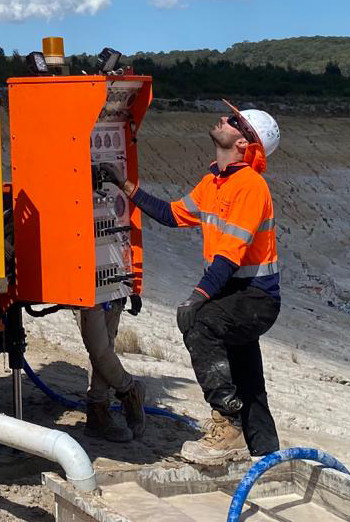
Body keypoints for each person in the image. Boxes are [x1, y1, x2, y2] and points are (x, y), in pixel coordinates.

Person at [98, 99, 281, 465]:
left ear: (244, 142)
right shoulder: (214, 181)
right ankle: (264, 451)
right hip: (234, 293)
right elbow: (171, 213)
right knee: (245, 374)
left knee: (201, 324)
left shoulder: (249, 186)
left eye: (233, 120)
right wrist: (125, 186)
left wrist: (197, 299)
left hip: (255, 297)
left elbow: (229, 256)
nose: (223, 119)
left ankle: (227, 426)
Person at [75, 298, 146, 442]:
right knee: (99, 350)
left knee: (102, 350)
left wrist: (132, 289)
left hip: (113, 290)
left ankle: (98, 412)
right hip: (83, 287)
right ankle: (130, 390)